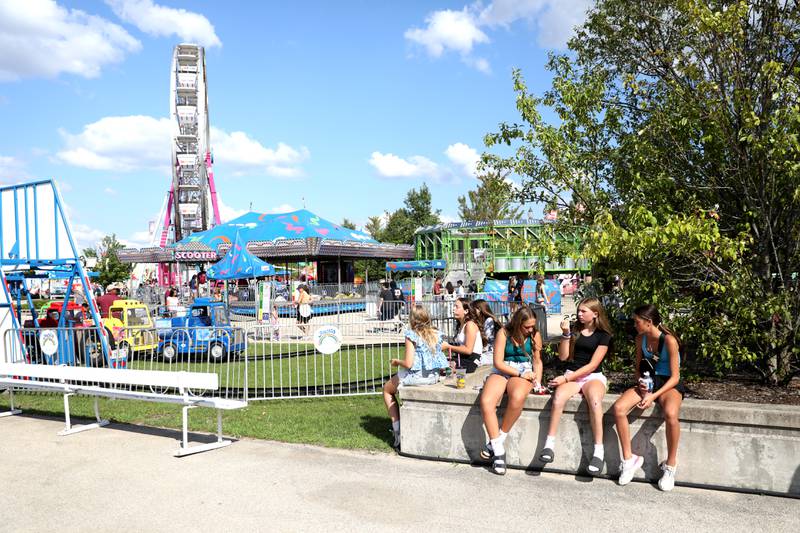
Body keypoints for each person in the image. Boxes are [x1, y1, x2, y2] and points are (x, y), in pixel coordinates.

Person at [613, 304, 685, 491]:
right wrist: (643, 385)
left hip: (668, 383)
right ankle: (629, 460)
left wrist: (653, 395)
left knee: (670, 414)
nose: (634, 325)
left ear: (649, 322)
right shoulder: (640, 339)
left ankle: (670, 466)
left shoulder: (669, 340)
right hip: (649, 382)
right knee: (619, 409)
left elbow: (676, 377)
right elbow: (638, 370)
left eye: (637, 322)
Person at [539, 297, 612, 476]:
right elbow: (564, 357)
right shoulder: (574, 330)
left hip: (592, 376)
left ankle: (598, 451)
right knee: (558, 398)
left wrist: (566, 379)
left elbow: (593, 365)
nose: (579, 314)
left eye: (583, 311)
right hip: (571, 374)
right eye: (578, 311)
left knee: (595, 401)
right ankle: (549, 444)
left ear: (595, 314)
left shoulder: (604, 336)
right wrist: (565, 334)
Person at [479, 306, 543, 475]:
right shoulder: (504, 333)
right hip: (504, 369)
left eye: (532, 326)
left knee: (518, 395)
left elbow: (537, 361)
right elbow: (498, 362)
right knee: (486, 402)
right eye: (527, 327)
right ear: (517, 323)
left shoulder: (535, 335)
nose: (530, 330)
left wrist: (538, 381)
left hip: (525, 369)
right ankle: (499, 451)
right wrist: (519, 373)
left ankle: (498, 439)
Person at [383, 305, 449, 450]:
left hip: (416, 377)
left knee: (387, 390)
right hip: (433, 376)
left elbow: (408, 363)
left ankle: (397, 430)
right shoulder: (436, 334)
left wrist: (396, 362)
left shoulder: (411, 335)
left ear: (412, 319)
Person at [442, 298, 483, 373]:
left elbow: (468, 350)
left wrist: (448, 346)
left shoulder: (470, 325)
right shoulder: (461, 324)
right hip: (463, 358)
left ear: (466, 311)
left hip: (471, 361)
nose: (453, 309)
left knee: (444, 367)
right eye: (454, 306)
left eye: (457, 307)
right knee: (440, 362)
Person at [471, 299, 499, 366]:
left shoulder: (489, 320)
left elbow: (487, 337)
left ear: (479, 309)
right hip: (486, 352)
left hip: (490, 354)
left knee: (473, 362)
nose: (472, 312)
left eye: (473, 309)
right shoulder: (483, 321)